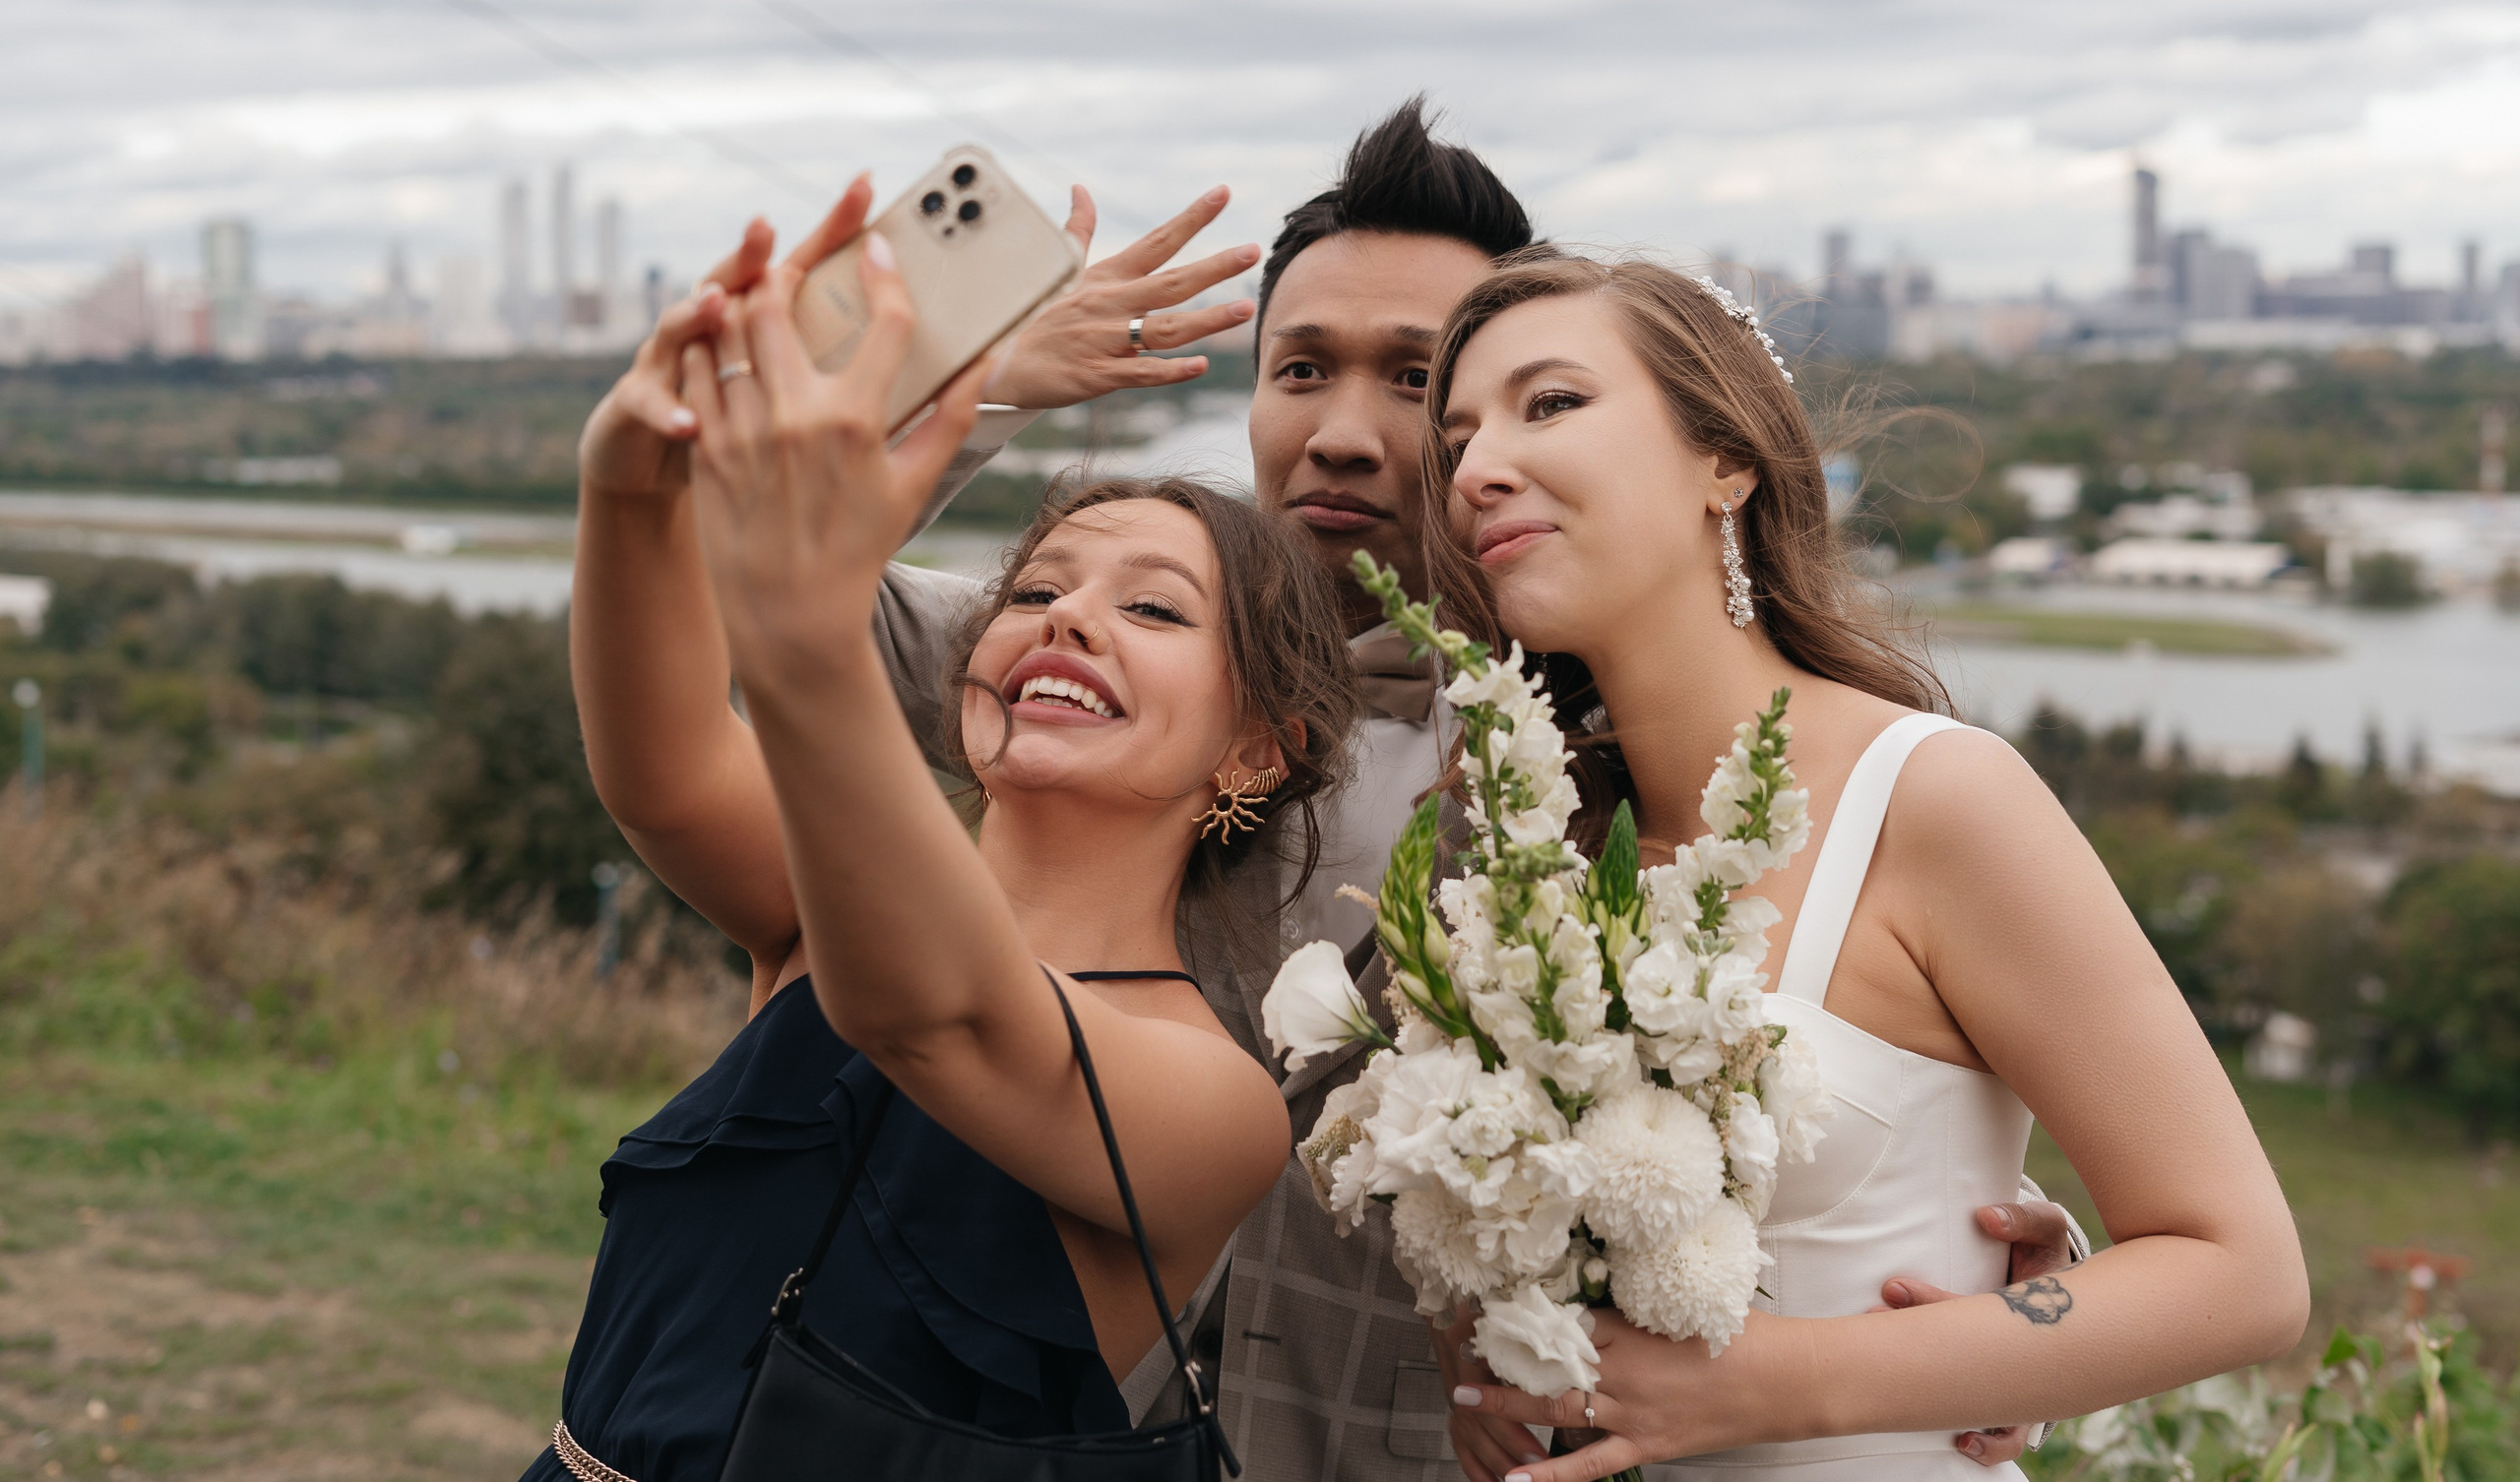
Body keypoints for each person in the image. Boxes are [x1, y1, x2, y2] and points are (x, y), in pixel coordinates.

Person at [576, 101, 2082, 1480]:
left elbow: (1829, 1024)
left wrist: (1935, 1273)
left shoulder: (1645, 763)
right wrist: (964, 388)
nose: (1348, 428)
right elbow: (762, 618)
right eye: (1300, 368)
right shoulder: (1144, 649)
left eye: (1422, 380)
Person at [1423, 252, 2309, 1481]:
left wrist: (1794, 1382)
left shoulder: (1937, 799)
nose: (1475, 470)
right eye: (1456, 438)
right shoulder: (1523, 854)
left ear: (1723, 459)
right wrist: (1483, 1347)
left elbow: (2243, 1276)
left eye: (1551, 403)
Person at [525, 211, 1363, 1480]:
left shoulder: (1219, 1105)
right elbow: (663, 765)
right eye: (1034, 592)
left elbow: (946, 1019)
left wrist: (804, 632)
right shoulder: (823, 922)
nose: (1070, 617)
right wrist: (632, 479)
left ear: (1254, 752)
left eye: (1150, 607)